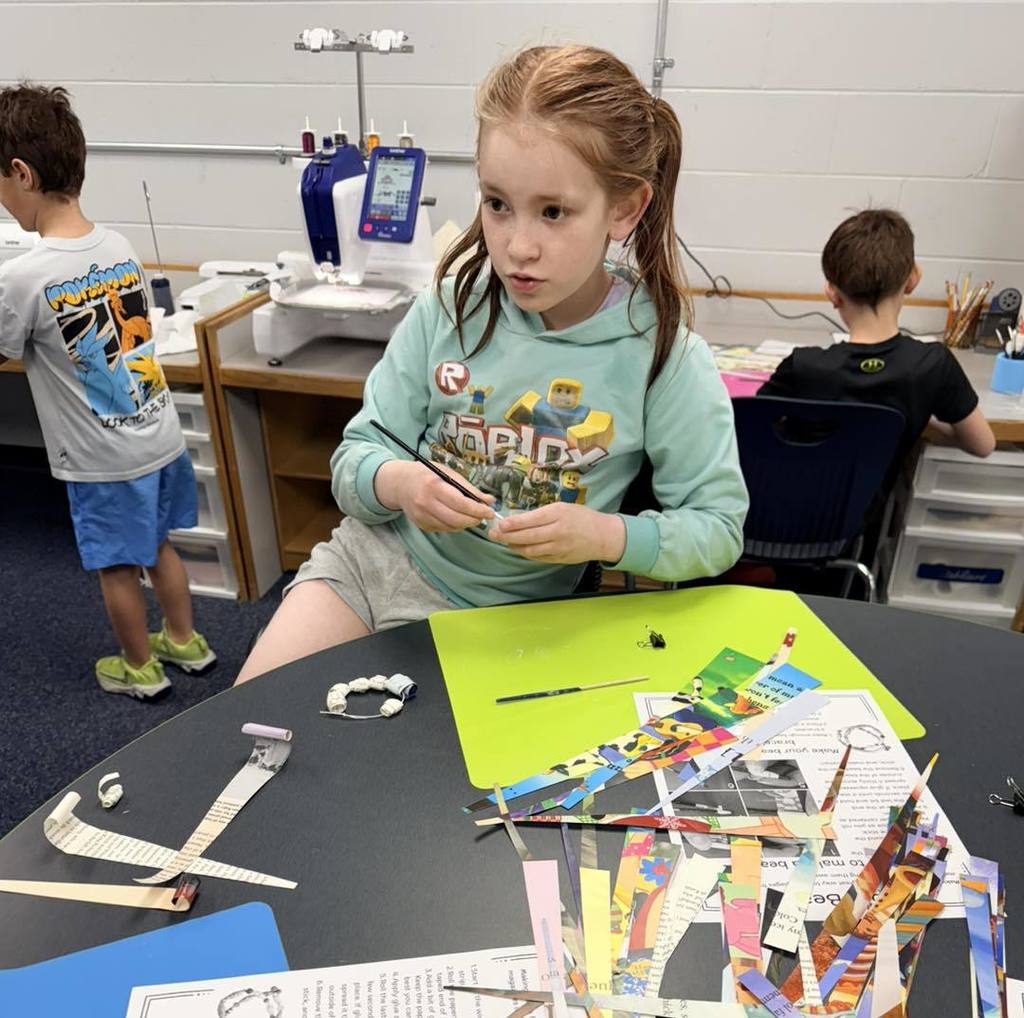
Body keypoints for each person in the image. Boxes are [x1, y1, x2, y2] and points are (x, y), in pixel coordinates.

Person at [236, 45, 749, 683]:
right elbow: (354, 460)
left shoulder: (663, 354)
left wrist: (606, 537)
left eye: (554, 212)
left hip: (530, 616)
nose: (516, 247)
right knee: (253, 720)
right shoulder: (447, 310)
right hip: (377, 567)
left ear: (625, 209)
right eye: (496, 203)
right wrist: (400, 484)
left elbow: (718, 529)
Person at [0, 83, 215, 698]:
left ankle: (139, 667)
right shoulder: (117, 245)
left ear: (22, 173)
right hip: (157, 438)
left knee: (116, 566)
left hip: (100, 463)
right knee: (159, 547)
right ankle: (185, 643)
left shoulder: (26, 275)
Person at [759, 209, 995, 465]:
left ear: (832, 294)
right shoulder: (933, 365)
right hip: (877, 505)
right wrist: (929, 418)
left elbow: (748, 428)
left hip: (792, 503)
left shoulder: (802, 367)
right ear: (913, 279)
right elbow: (983, 445)